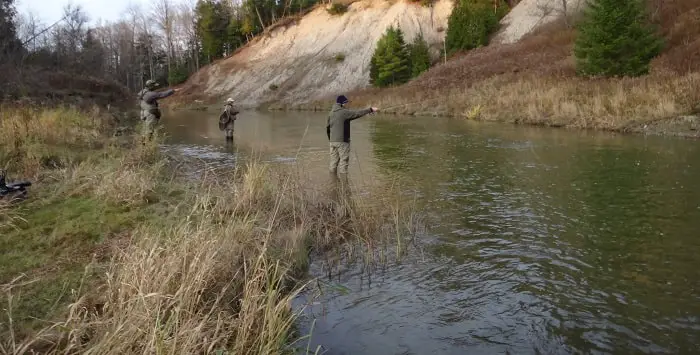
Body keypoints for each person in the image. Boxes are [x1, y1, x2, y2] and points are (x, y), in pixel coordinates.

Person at [326, 95, 379, 175]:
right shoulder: (344, 112)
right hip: (342, 141)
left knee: (333, 163)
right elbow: (357, 113)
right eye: (346, 103)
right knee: (344, 163)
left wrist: (331, 139)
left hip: (332, 142)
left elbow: (327, 128)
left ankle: (333, 181)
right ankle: (344, 184)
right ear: (342, 103)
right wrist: (370, 109)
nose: (347, 104)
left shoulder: (331, 113)